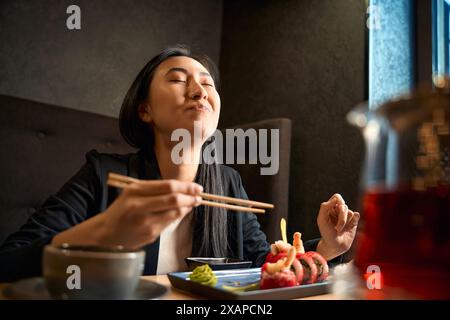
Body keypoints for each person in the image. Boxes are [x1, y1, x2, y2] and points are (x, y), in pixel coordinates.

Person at [0, 46, 360, 282]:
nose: (200, 91)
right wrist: (104, 232)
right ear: (145, 110)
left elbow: (262, 264)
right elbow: (10, 263)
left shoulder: (227, 182)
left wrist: (327, 248)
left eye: (208, 84)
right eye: (177, 79)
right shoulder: (104, 175)